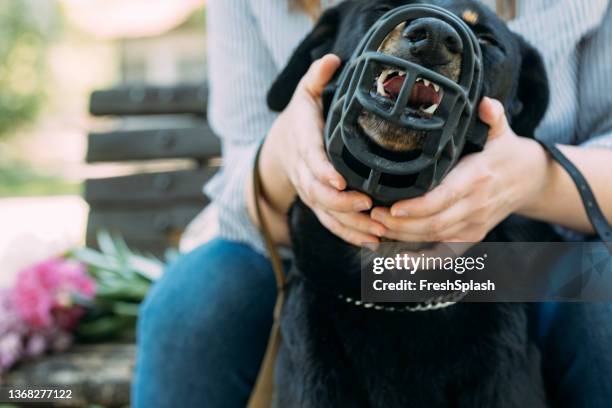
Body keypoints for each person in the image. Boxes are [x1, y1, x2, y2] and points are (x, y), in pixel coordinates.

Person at [132, 0, 612, 407]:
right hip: (310, 251)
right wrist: (285, 160)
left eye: (479, 37)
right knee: (190, 305)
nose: (431, 39)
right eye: (386, 8)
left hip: (516, 255)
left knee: (603, 296)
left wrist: (531, 177)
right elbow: (241, 168)